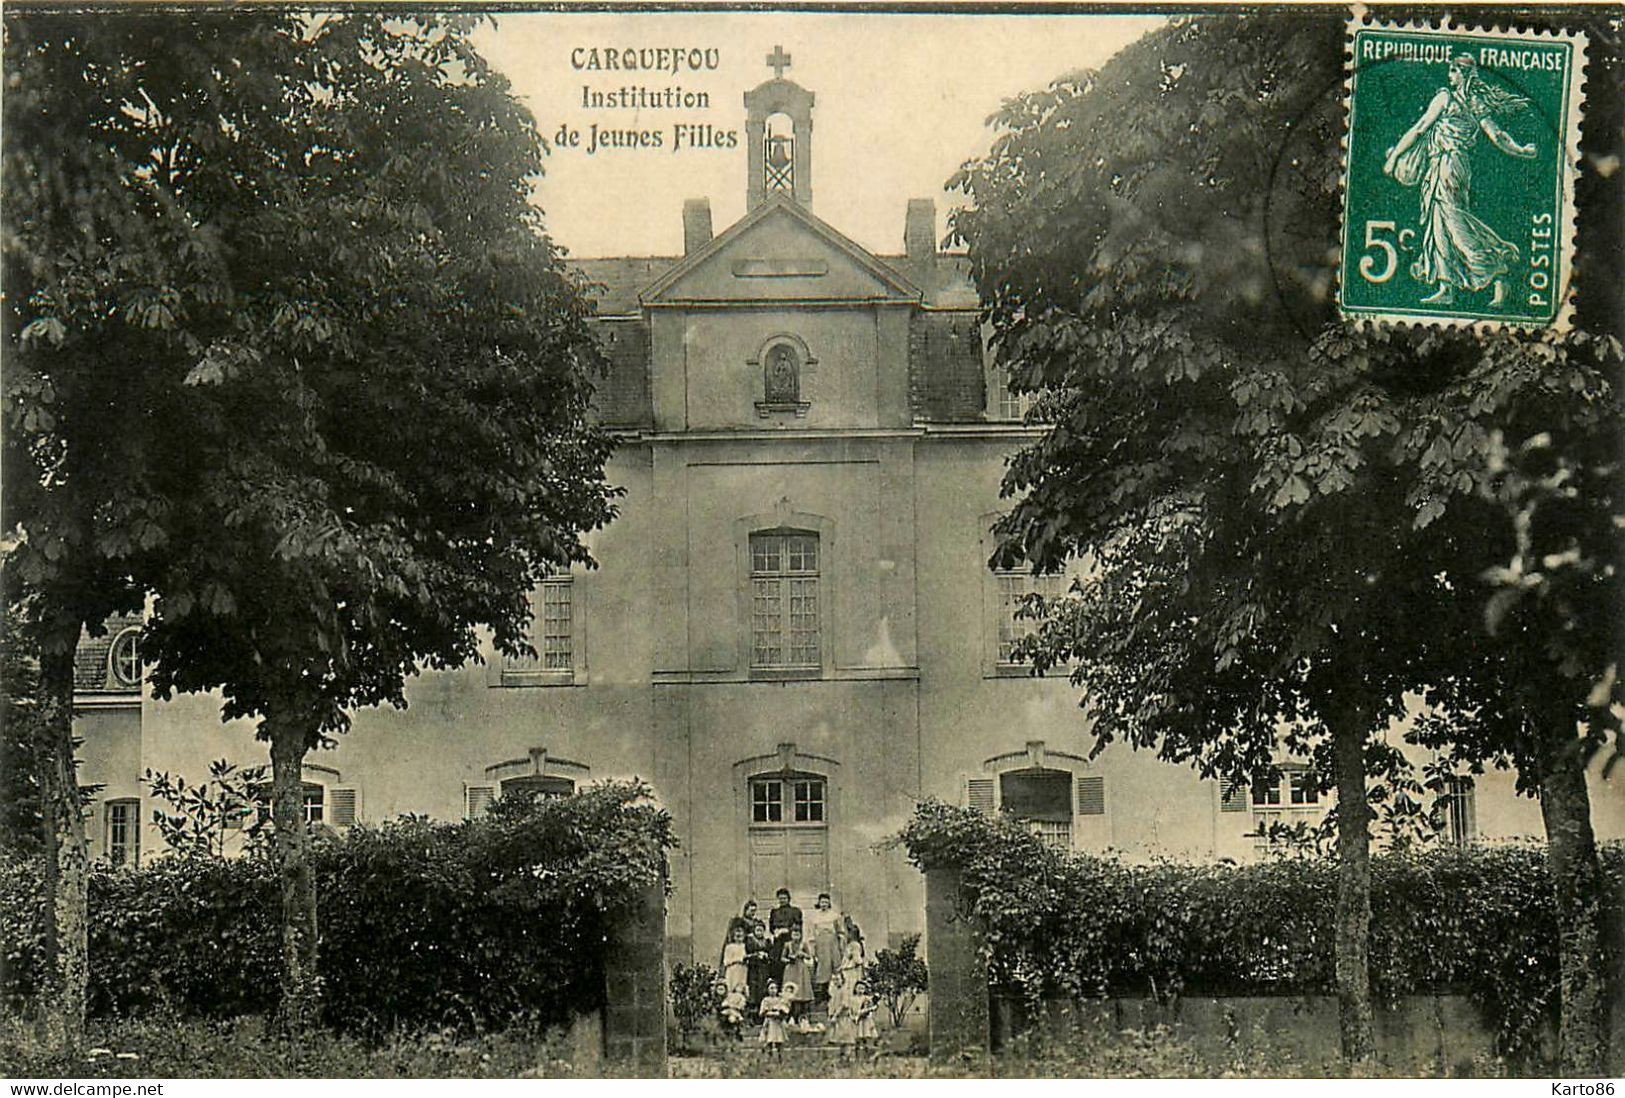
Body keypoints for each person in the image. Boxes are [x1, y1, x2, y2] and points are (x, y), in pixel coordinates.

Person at [1383, 53, 1536, 307]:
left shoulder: (1446, 98)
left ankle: (1499, 269)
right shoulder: (1475, 103)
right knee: (1439, 224)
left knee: (1455, 224)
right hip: (1447, 165)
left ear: (1463, 74)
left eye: (1453, 71)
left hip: (1448, 165)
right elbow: (1497, 135)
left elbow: (1420, 127)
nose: (1449, 76)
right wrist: (1520, 150)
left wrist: (1394, 157)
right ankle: (1447, 287)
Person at [807, 892, 842, 1007]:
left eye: (826, 902)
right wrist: (812, 949)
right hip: (820, 943)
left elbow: (840, 931)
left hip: (832, 942)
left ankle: (836, 994)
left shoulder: (834, 915)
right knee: (822, 967)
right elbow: (812, 933)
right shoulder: (815, 917)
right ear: (819, 903)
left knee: (835, 965)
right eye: (822, 902)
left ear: (829, 903)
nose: (824, 904)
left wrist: (840, 944)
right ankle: (822, 995)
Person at [780, 924, 815, 1028]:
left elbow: (809, 956)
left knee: (802, 991)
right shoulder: (787, 945)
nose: (796, 936)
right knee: (791, 991)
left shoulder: (803, 944)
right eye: (794, 934)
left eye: (798, 934)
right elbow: (782, 958)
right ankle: (790, 1017)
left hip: (801, 969)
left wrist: (803, 955)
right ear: (791, 935)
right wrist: (788, 959)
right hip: (791, 969)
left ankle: (802, 1017)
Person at [826, 969, 856, 1058]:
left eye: (837, 979)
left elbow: (843, 1005)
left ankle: (848, 1056)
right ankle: (842, 1056)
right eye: (833, 980)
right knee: (840, 1038)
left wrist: (835, 1015)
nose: (835, 982)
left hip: (844, 1017)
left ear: (842, 980)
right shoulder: (835, 992)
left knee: (846, 1038)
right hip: (838, 1018)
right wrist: (830, 1015)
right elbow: (832, 1004)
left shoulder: (844, 991)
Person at [744, 921, 774, 1010]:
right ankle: (753, 1008)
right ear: (754, 931)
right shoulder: (750, 941)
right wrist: (756, 955)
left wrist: (766, 956)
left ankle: (762, 1007)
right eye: (757, 930)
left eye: (761, 930)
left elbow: (771, 954)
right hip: (753, 968)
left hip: (764, 968)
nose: (759, 932)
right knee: (753, 987)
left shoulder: (767, 942)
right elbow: (746, 954)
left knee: (763, 986)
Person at [758, 980, 790, 1058]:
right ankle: (769, 1056)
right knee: (769, 1039)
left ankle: (780, 1057)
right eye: (771, 988)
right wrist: (770, 1013)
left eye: (775, 988)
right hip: (770, 1022)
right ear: (768, 990)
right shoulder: (766, 1000)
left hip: (778, 1023)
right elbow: (762, 1012)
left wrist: (781, 1013)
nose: (773, 990)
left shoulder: (780, 999)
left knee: (779, 1040)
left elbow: (785, 1010)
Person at [852, 979, 879, 1054]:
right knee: (857, 1037)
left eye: (862, 988)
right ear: (855, 988)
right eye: (859, 988)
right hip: (856, 1019)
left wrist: (870, 1009)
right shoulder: (853, 998)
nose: (860, 990)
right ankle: (857, 1053)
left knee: (865, 1035)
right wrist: (852, 1016)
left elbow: (872, 1006)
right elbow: (851, 1008)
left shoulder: (866, 998)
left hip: (864, 1020)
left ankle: (866, 1051)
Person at [720, 924, 748, 994]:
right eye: (737, 936)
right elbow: (726, 961)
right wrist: (737, 959)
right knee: (731, 987)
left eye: (741, 936)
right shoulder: (729, 947)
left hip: (742, 970)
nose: (739, 938)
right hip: (732, 970)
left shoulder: (745, 946)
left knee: (741, 987)